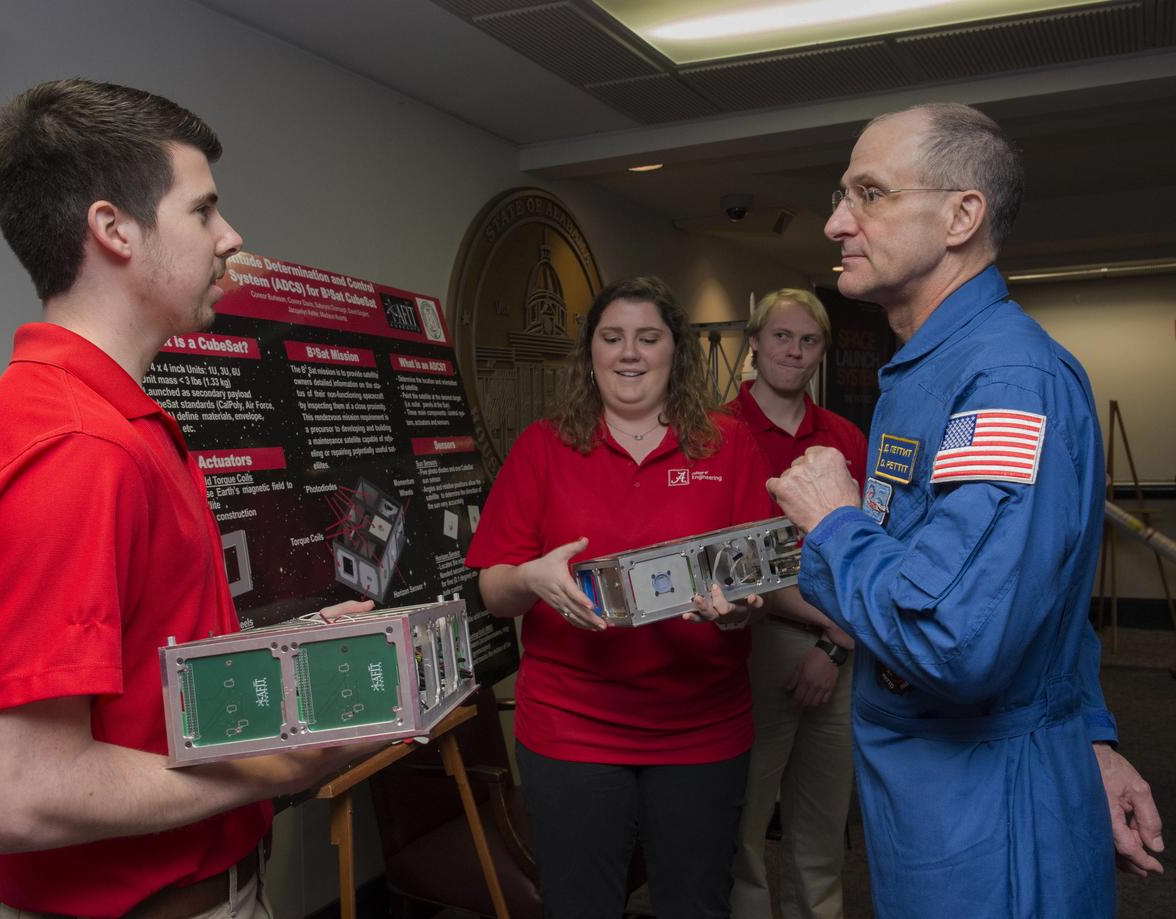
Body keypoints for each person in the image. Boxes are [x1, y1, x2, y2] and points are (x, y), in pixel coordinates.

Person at [0, 79, 375, 918]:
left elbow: (143, 682)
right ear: (114, 230)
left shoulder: (111, 420)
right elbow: (24, 791)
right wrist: (288, 762)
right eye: (203, 211)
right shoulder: (75, 448)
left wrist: (287, 657)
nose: (231, 236)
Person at [767, 102, 1164, 917]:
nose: (838, 222)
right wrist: (1093, 734)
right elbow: (1045, 591)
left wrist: (836, 521)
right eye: (842, 195)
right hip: (929, 796)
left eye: (868, 194)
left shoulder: (1006, 384)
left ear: (961, 215)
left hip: (988, 807)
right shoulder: (925, 374)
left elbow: (957, 639)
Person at [465, 276, 775, 919]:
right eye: (612, 337)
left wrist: (738, 609)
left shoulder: (727, 444)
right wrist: (529, 579)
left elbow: (754, 581)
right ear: (590, 353)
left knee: (697, 905)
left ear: (675, 352)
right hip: (572, 727)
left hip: (702, 730)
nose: (629, 353)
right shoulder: (542, 448)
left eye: (647, 337)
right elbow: (494, 593)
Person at [725, 289, 866, 919]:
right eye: (782, 336)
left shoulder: (844, 439)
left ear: (821, 353)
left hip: (844, 646)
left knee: (821, 823)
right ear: (753, 342)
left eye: (809, 341)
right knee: (744, 824)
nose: (794, 351)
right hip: (754, 640)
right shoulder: (714, 434)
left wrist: (836, 646)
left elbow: (871, 553)